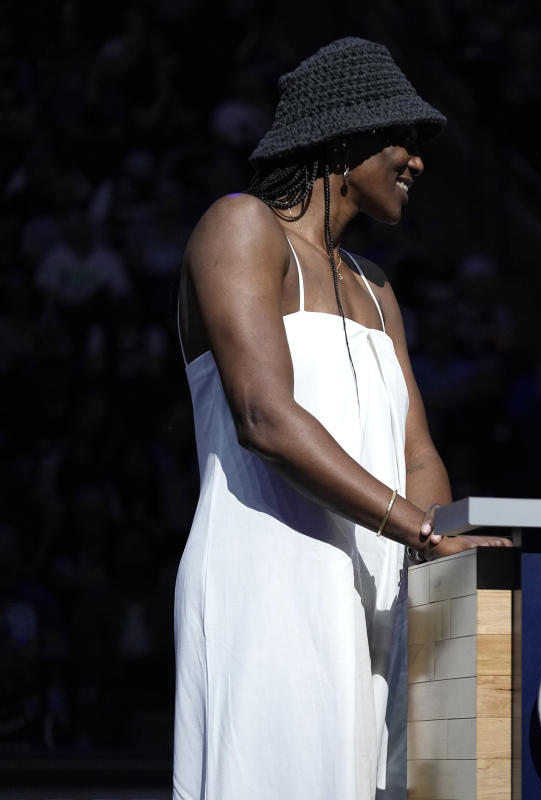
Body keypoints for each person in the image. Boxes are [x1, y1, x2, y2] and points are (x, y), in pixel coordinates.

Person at [172, 37, 508, 800]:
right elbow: (264, 414)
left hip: (381, 582)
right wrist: (423, 530)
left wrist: (439, 549)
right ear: (346, 136)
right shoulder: (240, 226)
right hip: (271, 575)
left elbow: (415, 451)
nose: (418, 162)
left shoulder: (375, 284)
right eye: (405, 139)